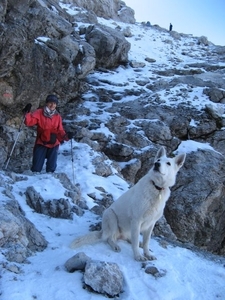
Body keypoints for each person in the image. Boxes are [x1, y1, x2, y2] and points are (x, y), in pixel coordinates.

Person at [22, 94, 73, 173]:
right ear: (46, 103)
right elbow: (29, 122)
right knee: (36, 168)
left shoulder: (57, 116)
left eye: (55, 103)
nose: (52, 105)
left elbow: (60, 131)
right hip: (41, 142)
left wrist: (67, 136)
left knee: (51, 168)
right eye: (51, 103)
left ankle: (49, 182)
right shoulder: (39, 112)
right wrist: (27, 113)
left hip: (54, 143)